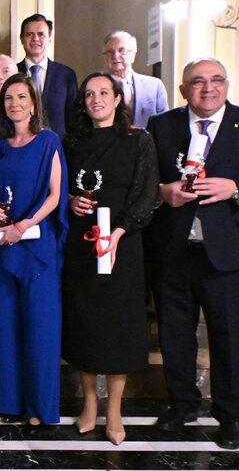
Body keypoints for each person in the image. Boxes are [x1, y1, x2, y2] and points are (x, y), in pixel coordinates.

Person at [146, 57, 239, 450]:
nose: (207, 88)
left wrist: (236, 189)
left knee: (231, 338)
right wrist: (163, 192)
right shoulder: (162, 126)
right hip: (174, 251)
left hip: (231, 254)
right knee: (175, 335)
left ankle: (230, 415)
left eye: (215, 80)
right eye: (196, 82)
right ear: (183, 91)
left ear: (227, 85)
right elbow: (144, 179)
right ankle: (182, 405)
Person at [61, 73, 160, 445]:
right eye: (89, 94)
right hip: (81, 245)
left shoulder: (138, 140)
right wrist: (71, 201)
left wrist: (118, 231)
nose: (96, 99)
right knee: (84, 322)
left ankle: (114, 408)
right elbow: (61, 187)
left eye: (104, 92)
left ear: (118, 98)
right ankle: (89, 403)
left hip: (122, 245)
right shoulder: (73, 142)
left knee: (117, 327)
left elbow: (148, 193)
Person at [0, 72, 67, 425]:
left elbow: (55, 195)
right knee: (7, 327)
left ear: (33, 103)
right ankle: (11, 404)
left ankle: (39, 408)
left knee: (40, 329)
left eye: (21, 97)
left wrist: (24, 224)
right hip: (4, 245)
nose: (14, 103)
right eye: (8, 98)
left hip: (36, 245)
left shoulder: (48, 141)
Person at [16, 13, 78, 137]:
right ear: (22, 39)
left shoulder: (66, 75)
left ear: (49, 38)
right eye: (29, 34)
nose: (35, 39)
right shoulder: (13, 73)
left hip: (57, 150)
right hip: (21, 148)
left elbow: (73, 119)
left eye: (41, 34)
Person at [102, 30, 169, 128]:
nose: (115, 56)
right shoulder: (96, 88)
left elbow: (165, 123)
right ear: (105, 57)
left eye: (122, 51)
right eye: (110, 52)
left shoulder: (155, 86)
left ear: (133, 54)